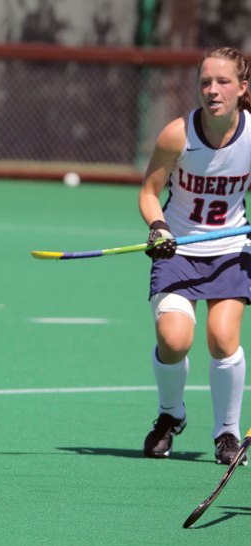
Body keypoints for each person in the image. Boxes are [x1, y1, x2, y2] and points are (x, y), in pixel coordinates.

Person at [139, 46, 250, 466]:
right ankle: (171, 415)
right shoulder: (177, 134)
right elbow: (149, 194)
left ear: (242, 88)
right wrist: (158, 227)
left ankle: (227, 433)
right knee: (173, 340)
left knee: (223, 338)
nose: (212, 90)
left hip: (229, 251)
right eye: (205, 82)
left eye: (223, 82)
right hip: (179, 250)